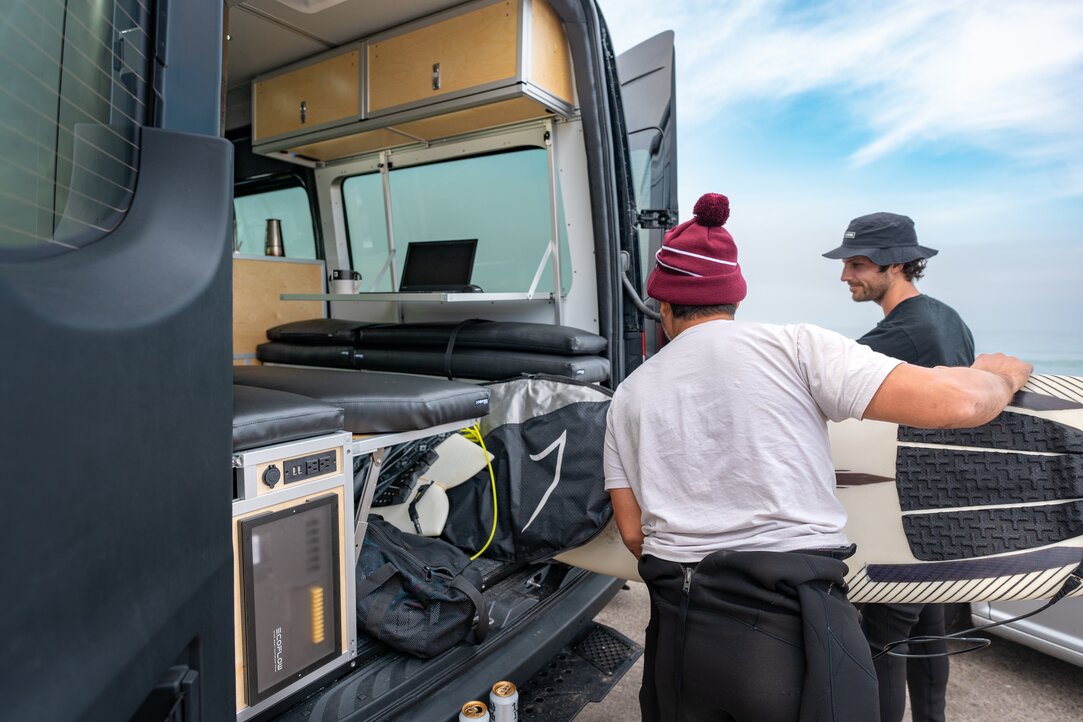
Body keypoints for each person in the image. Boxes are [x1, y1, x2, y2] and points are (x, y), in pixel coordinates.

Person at [603, 193, 1031, 722]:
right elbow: (962, 402)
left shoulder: (628, 394)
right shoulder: (798, 348)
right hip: (791, 627)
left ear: (663, 307)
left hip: (677, 634)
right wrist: (1004, 375)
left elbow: (632, 532)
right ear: (735, 300)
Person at [823, 212, 973, 722]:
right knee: (928, 634)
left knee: (882, 643)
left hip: (903, 514)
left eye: (857, 264)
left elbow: (828, 400)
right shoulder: (948, 318)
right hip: (943, 513)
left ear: (897, 264)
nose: (846, 275)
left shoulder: (896, 339)